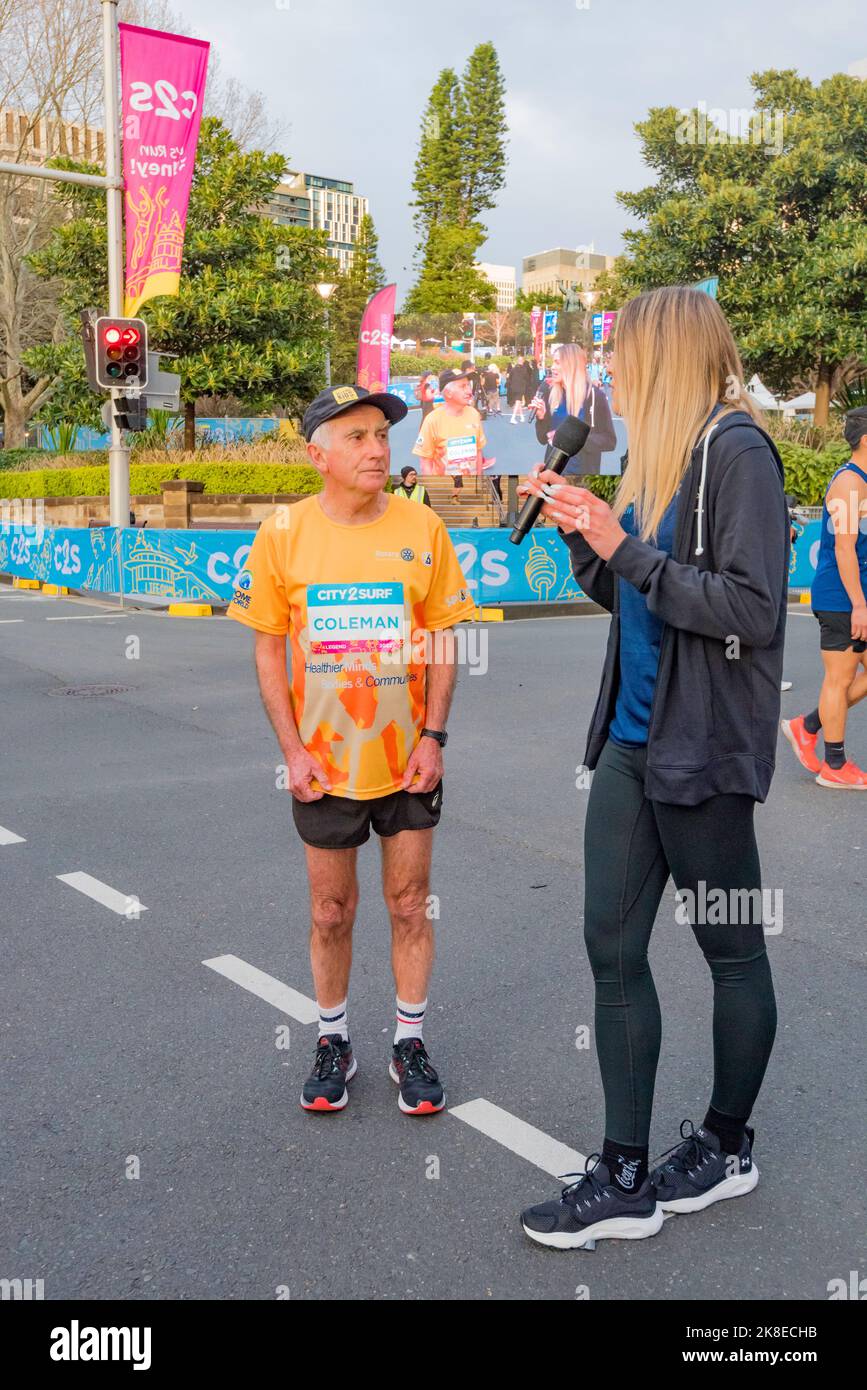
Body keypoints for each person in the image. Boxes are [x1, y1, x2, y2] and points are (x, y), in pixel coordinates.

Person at [516, 286, 788, 1250]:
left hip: (703, 750)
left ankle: (724, 1144)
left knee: (731, 952)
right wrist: (582, 542)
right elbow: (638, 597)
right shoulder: (658, 456)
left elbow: (752, 611)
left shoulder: (736, 451)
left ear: (665, 355)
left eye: (623, 355)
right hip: (631, 746)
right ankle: (624, 1173)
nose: (611, 375)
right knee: (612, 948)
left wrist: (623, 549)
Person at [227, 384, 476, 1114]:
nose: (375, 449)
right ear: (318, 455)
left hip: (407, 761)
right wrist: (292, 749)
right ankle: (332, 1039)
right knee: (331, 910)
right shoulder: (283, 533)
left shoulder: (422, 528)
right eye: (357, 437)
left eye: (380, 435)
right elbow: (268, 647)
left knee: (407, 903)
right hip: (325, 763)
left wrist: (434, 735)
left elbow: (442, 638)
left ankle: (409, 1041)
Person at [781, 406, 867, 789]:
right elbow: (846, 550)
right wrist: (859, 605)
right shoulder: (850, 483)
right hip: (841, 597)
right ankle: (834, 765)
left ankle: (808, 725)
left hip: (856, 595)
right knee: (840, 677)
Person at [528, 343, 617, 477]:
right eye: (553, 362)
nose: (552, 367)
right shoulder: (549, 392)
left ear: (572, 365)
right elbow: (543, 439)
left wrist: (574, 441)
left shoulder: (594, 396)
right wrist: (541, 417)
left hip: (582, 477)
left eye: (558, 363)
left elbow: (609, 441)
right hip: (553, 473)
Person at [413, 366, 487, 502]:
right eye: (463, 386)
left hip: (470, 488)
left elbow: (478, 451)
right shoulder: (432, 420)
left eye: (468, 386)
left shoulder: (474, 414)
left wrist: (479, 480)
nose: (469, 391)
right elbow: (425, 462)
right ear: (448, 393)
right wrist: (433, 490)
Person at [507, 356, 529, 423]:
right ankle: (513, 418)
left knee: (518, 402)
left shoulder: (513, 369)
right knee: (518, 401)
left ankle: (522, 417)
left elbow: (509, 378)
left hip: (513, 387)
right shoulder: (524, 369)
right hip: (521, 387)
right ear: (523, 361)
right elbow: (527, 378)